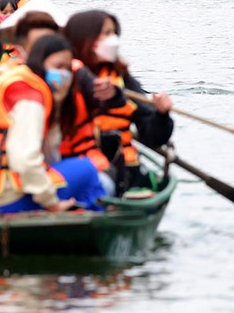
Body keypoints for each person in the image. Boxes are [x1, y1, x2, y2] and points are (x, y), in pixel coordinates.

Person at [0, 34, 105, 215]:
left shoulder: (7, 80)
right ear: (39, 64)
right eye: (58, 66)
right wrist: (52, 203)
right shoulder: (29, 92)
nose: (64, 74)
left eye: (67, 68)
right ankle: (96, 234)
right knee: (87, 170)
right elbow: (25, 160)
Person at [62, 10, 173, 193]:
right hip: (73, 166)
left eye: (114, 33)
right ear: (85, 39)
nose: (112, 39)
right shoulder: (62, 75)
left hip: (122, 170)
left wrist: (162, 115)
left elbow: (151, 136)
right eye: (106, 33)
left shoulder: (123, 80)